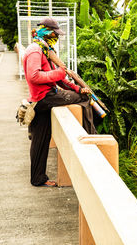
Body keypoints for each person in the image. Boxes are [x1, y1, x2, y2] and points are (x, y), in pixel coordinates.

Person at [23, 17, 97, 187]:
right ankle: (89, 133)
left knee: (41, 139)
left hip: (45, 97)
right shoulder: (35, 50)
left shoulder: (44, 49)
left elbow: (60, 78)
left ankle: (38, 178)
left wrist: (78, 89)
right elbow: (34, 76)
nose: (56, 37)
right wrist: (59, 74)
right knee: (85, 100)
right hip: (44, 98)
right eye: (55, 34)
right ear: (48, 33)